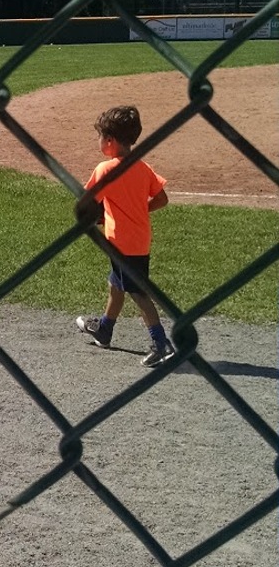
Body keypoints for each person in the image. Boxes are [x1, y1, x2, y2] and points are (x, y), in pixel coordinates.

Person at [75, 103, 173, 368]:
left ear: (110, 141)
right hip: (139, 239)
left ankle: (161, 343)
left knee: (138, 293)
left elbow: (86, 204)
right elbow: (162, 199)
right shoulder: (142, 167)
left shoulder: (105, 170)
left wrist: (98, 218)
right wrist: (141, 209)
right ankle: (105, 330)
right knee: (116, 284)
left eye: (100, 138)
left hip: (120, 243)